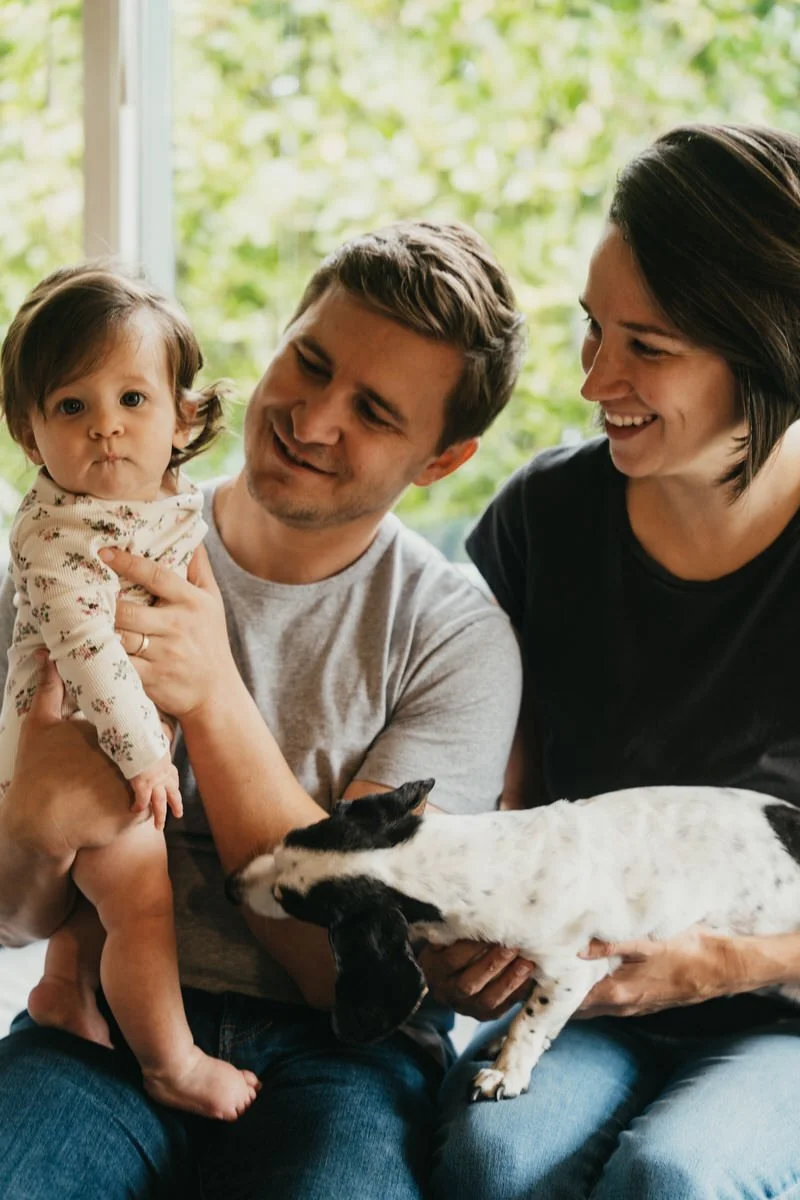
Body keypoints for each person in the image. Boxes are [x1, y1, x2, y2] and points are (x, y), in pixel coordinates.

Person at [0, 220, 526, 1199]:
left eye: (373, 411)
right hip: (100, 1022)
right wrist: (33, 825)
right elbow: (15, 918)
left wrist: (211, 695)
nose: (313, 420)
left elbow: (345, 973)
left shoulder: (453, 638)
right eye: (310, 363)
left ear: (442, 460)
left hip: (344, 1055)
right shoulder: (80, 550)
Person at [429, 124, 800, 1199]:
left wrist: (728, 964)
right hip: (582, 990)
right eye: (593, 329)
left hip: (779, 1011)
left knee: (674, 1175)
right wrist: (453, 936)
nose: (595, 380)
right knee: (489, 1159)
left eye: (648, 345)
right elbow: (486, 804)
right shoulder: (542, 520)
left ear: (767, 348)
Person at [0, 264, 260, 1120]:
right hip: (83, 742)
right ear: (31, 435)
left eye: (132, 400)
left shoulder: (160, 498)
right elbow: (87, 655)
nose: (105, 426)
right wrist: (147, 756)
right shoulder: (61, 537)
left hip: (109, 740)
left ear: (182, 418)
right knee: (143, 905)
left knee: (102, 904)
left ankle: (65, 985)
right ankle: (170, 1062)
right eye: (72, 406)